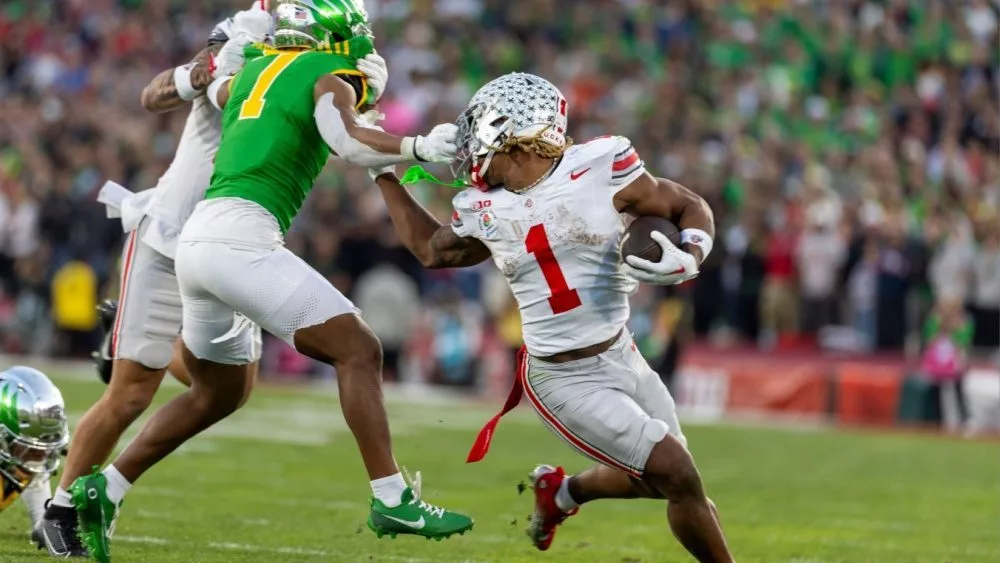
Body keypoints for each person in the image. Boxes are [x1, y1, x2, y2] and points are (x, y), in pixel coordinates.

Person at [68, 2, 471, 561]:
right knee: (359, 350)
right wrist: (417, 148)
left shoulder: (250, 73)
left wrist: (206, 68)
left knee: (219, 393)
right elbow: (348, 138)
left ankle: (104, 489)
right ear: (335, 36)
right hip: (242, 239)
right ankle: (392, 496)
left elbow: (209, 93)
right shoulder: (325, 76)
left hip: (197, 244)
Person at [372, 72, 734, 562]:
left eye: (484, 140)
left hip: (621, 352)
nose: (473, 154)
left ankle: (561, 494)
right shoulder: (484, 207)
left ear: (520, 141)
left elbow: (685, 204)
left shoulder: (600, 165)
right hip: (562, 377)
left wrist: (692, 250)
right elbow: (432, 251)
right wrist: (383, 174)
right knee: (680, 476)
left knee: (660, 482)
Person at [37, 4, 284, 558]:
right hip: (171, 234)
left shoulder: (328, 58)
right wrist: (204, 73)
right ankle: (62, 507)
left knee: (227, 391)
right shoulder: (251, 33)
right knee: (130, 393)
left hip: (236, 244)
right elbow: (154, 94)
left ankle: (122, 338)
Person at [0, 367, 69, 549]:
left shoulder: (24, 463)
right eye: (29, 447)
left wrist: (48, 521)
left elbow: (44, 525)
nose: (40, 455)